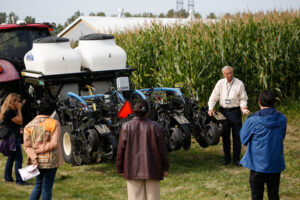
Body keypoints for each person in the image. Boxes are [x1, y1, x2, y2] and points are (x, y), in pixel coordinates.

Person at [116, 100, 169, 200]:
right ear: (147, 112)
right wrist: (165, 168)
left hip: (132, 168)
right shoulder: (155, 127)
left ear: (133, 111)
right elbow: (163, 150)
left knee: (135, 197)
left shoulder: (126, 127)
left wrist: (120, 168)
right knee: (153, 197)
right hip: (153, 168)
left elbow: (120, 150)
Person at [240, 90, 286, 200]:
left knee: (256, 195)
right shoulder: (282, 119)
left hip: (257, 165)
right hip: (275, 163)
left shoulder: (252, 120)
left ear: (259, 102)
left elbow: (243, 139)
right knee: (274, 194)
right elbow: (281, 136)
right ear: (274, 102)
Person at [208, 66, 250, 166]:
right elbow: (214, 96)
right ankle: (227, 158)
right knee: (225, 136)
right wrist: (210, 108)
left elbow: (243, 98)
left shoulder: (239, 83)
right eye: (227, 73)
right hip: (223, 112)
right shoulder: (220, 83)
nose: (229, 75)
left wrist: (243, 107)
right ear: (223, 74)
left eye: (231, 72)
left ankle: (236, 159)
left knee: (237, 136)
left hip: (235, 111)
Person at [24, 97, 63, 200]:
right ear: (52, 110)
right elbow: (54, 143)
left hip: (35, 161)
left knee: (38, 186)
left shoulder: (28, 126)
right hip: (50, 161)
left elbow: (27, 146)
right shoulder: (54, 123)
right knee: (47, 188)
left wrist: (34, 155)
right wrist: (39, 150)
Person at [0, 93, 30, 185]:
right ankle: (19, 180)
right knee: (18, 159)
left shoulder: (8, 111)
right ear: (12, 102)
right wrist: (19, 110)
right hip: (12, 138)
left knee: (11, 158)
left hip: (9, 137)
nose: (18, 102)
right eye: (17, 101)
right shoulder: (10, 112)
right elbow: (20, 121)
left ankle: (8, 178)